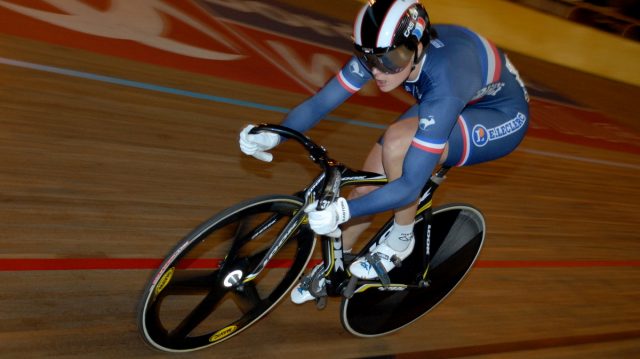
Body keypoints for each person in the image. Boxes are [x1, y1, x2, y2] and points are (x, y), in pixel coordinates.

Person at [239, 0, 529, 304]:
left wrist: (341, 212)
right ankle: (332, 271)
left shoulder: (445, 78)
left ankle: (402, 238)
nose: (378, 71)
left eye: (390, 60)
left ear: (417, 48)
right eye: (368, 58)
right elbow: (320, 103)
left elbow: (408, 187)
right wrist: (274, 135)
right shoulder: (383, 51)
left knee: (398, 144)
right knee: (364, 189)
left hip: (499, 114)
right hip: (455, 96)